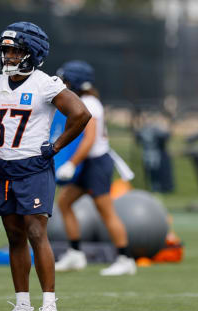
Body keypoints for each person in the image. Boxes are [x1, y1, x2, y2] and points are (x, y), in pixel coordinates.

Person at [0, 22, 90, 311]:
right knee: (15, 236)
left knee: (35, 232)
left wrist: (56, 146)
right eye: (6, 50)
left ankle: (49, 305)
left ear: (32, 53)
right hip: (5, 167)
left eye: (16, 51)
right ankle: (22, 305)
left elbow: (81, 114)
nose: (9, 56)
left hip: (34, 167)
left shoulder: (46, 83)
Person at [54, 60, 137, 276]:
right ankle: (75, 253)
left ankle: (125, 258)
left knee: (106, 211)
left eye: (66, 79)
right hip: (87, 163)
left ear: (76, 81)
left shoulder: (89, 103)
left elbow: (89, 140)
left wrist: (72, 164)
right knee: (64, 202)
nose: (63, 83)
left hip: (96, 164)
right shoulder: (84, 100)